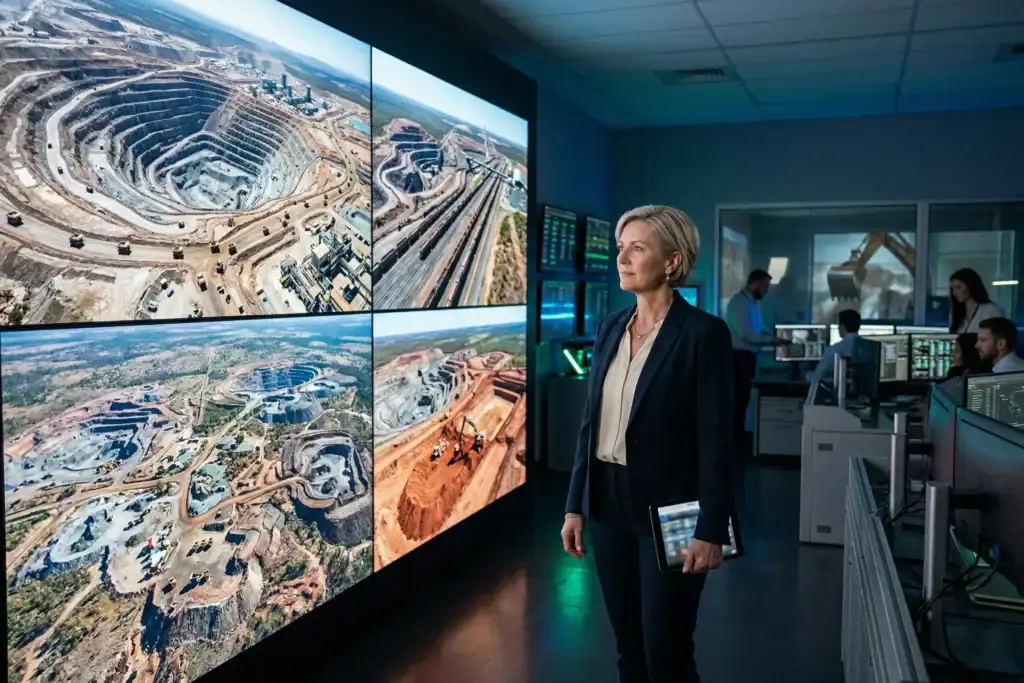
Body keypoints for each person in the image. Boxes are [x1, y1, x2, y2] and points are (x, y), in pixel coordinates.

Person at [560, 205, 734, 683]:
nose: (622, 258)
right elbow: (589, 424)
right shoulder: (610, 328)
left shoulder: (704, 334)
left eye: (637, 248)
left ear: (672, 262)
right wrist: (576, 505)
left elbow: (717, 441)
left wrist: (711, 529)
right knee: (629, 647)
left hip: (676, 509)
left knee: (667, 651)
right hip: (608, 506)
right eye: (621, 247)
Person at [724, 270, 782, 451]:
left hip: (748, 358)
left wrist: (773, 335)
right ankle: (734, 446)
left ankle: (738, 442)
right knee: (738, 402)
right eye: (764, 286)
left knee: (743, 400)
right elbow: (746, 334)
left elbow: (759, 328)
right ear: (755, 283)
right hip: (738, 358)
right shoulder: (738, 304)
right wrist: (772, 340)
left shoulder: (752, 304)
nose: (765, 291)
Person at [808, 309, 861, 384]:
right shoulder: (869, 349)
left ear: (842, 326)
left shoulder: (834, 350)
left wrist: (806, 376)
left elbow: (817, 377)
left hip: (837, 393)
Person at [949, 268, 1001, 333]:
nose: (954, 292)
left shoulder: (990, 310)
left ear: (970, 286)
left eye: (958, 287)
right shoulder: (955, 311)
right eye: (952, 289)